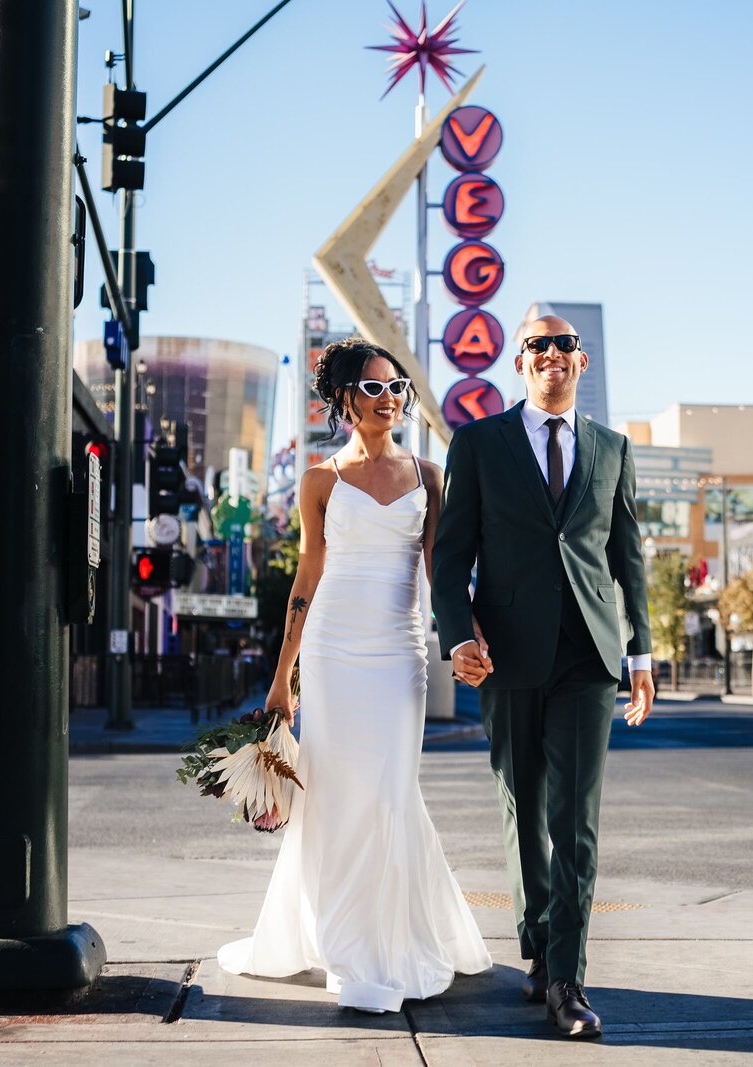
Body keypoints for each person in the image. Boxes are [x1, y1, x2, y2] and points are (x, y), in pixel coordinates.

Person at [217, 338, 490, 1013]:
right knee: (336, 797)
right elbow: (308, 576)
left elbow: (440, 570)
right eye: (372, 388)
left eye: (395, 386)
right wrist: (284, 678)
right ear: (343, 400)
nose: (389, 397)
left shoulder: (429, 474)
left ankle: (394, 943)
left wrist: (465, 636)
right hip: (333, 654)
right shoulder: (320, 481)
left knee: (391, 794)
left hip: (400, 653)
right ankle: (349, 947)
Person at [432, 314, 655, 1041]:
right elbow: (451, 554)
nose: (553, 354)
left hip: (589, 656)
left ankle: (566, 976)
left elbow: (628, 558)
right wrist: (460, 635)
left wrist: (641, 654)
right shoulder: (479, 443)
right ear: (519, 362)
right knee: (522, 804)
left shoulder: (612, 449)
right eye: (539, 345)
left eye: (564, 345)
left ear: (581, 363)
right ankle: (537, 937)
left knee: (576, 821)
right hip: (508, 654)